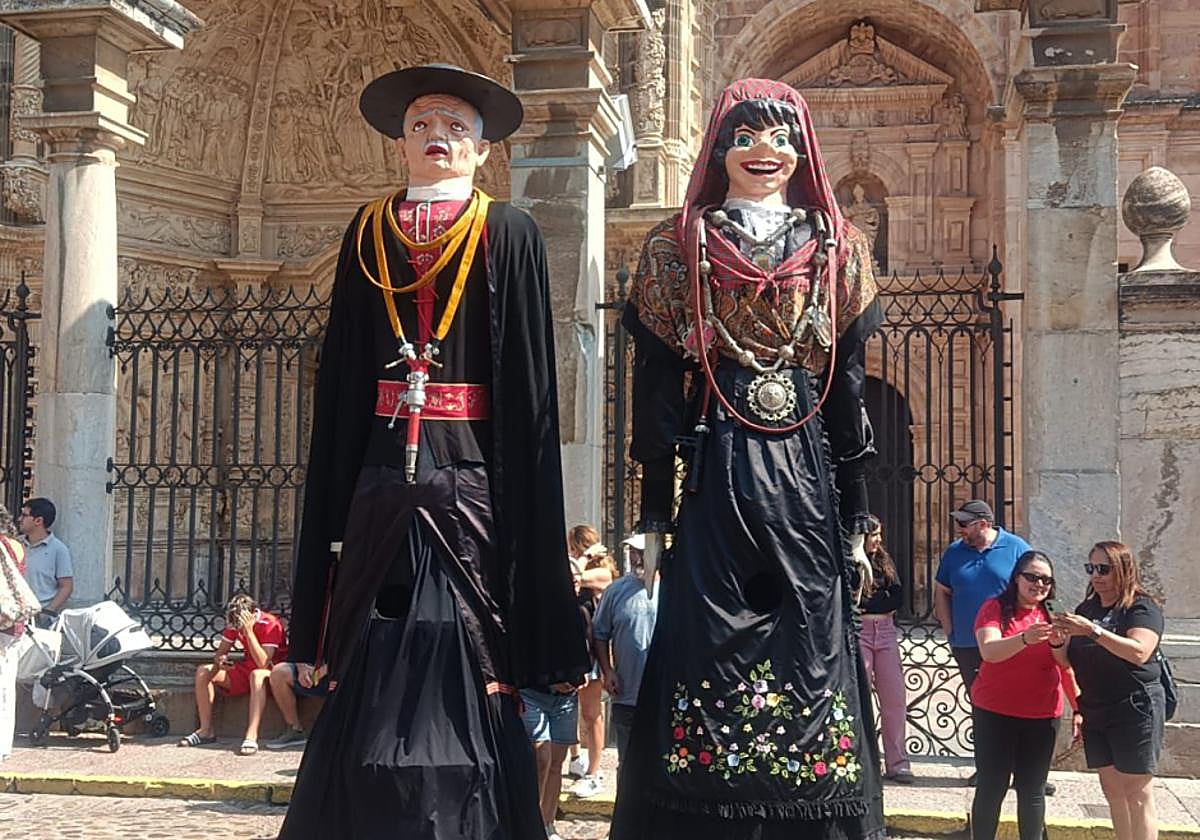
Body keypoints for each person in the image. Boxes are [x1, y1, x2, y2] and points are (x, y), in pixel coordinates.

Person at [278, 64, 589, 840]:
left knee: (467, 629)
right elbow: (347, 368)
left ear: (482, 149)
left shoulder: (507, 229)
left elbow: (526, 377)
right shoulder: (368, 228)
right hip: (384, 469)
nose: (437, 138)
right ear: (400, 143)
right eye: (421, 125)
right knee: (374, 631)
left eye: (455, 127)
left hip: (469, 470)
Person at [611, 78, 886, 840]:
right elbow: (658, 391)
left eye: (780, 139)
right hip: (717, 460)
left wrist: (859, 515)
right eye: (747, 138)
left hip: (801, 468)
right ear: (721, 149)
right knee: (708, 631)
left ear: (801, 152)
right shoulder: (679, 244)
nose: (765, 152)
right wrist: (651, 516)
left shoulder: (836, 246)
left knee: (810, 635)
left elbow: (849, 392)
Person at [1053, 541, 1165, 840]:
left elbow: (1140, 651)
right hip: (1096, 706)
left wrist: (1093, 630)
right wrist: (1056, 640)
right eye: (1091, 568)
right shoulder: (1086, 609)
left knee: (1137, 792)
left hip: (1135, 706)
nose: (1096, 576)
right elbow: (1066, 661)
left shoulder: (1141, 607)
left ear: (1123, 570)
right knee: (1112, 790)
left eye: (1104, 569)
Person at [970, 551, 1079, 840]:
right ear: (1017, 578)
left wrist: (1079, 708)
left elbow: (1065, 666)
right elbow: (990, 652)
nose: (1039, 584)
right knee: (992, 787)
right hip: (995, 711)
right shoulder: (994, 608)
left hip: (1042, 715)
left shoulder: (1056, 612)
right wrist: (1024, 639)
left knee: (1032, 790)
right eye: (1032, 576)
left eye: (1046, 579)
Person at [932, 499, 1031, 786]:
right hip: (967, 643)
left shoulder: (1016, 548)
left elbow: (1034, 589)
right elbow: (942, 591)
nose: (958, 528)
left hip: (1008, 642)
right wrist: (950, 629)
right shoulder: (954, 553)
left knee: (1020, 703)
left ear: (984, 524)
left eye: (964, 523)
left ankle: (1025, 770)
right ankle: (989, 768)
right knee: (983, 707)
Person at [178, 594, 288, 756]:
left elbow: (263, 663)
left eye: (240, 624)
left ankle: (251, 735)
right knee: (204, 671)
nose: (238, 629)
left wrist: (249, 632)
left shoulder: (270, 624)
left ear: (251, 615)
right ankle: (206, 730)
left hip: (272, 673)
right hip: (246, 669)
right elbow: (220, 653)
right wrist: (221, 661)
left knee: (257, 675)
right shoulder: (235, 623)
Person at [592, 533, 659, 777]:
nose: (636, 557)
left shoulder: (674, 590)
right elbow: (599, 633)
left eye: (642, 552)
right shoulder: (615, 591)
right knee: (628, 764)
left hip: (661, 696)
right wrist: (607, 670)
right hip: (626, 694)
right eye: (632, 551)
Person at [857, 516, 913, 784]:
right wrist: (877, 602)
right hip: (860, 632)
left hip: (886, 632)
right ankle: (862, 760)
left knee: (894, 699)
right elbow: (855, 599)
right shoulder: (851, 562)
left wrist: (872, 603)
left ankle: (897, 762)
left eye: (880, 534)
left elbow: (898, 596)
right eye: (873, 535)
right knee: (860, 698)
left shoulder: (884, 561)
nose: (878, 540)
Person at [570, 539, 617, 798]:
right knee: (571, 711)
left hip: (591, 657)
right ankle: (577, 758)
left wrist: (584, 557)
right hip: (576, 652)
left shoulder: (600, 573)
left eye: (573, 547)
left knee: (591, 714)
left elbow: (573, 574)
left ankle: (594, 771)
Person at [0, 504, 27, 761]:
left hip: (1, 622)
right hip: (13, 621)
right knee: (7, 684)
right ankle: (4, 743)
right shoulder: (16, 545)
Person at [18, 498, 73, 620]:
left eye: (24, 515)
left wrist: (48, 611)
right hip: (12, 615)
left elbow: (66, 586)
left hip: (39, 617)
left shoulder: (58, 550)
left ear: (38, 521)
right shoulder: (15, 544)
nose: (19, 519)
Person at [262, 660, 334, 751]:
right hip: (312, 672)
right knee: (279, 672)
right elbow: (299, 648)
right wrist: (302, 667)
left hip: (341, 671)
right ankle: (295, 730)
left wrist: (324, 670)